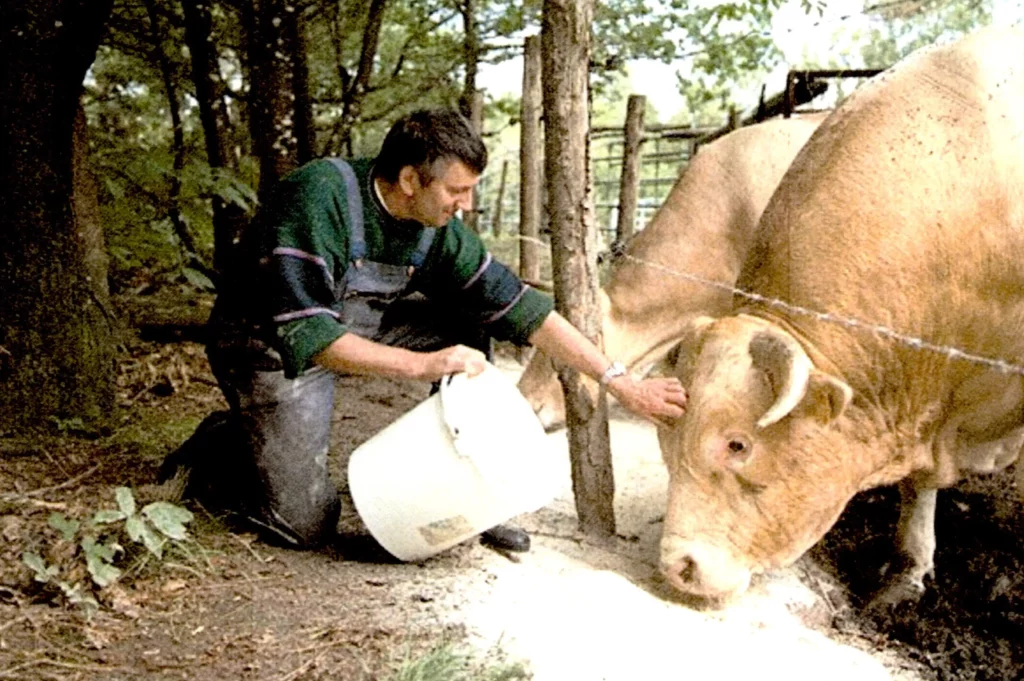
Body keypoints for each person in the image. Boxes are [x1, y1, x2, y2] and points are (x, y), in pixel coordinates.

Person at [162, 108, 687, 553]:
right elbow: (313, 339)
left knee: (468, 317)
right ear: (411, 180)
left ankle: (467, 488)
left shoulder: (437, 229)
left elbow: (522, 308)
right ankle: (223, 445)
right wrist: (425, 364)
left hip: (355, 330)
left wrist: (618, 380)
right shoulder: (318, 198)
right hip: (270, 349)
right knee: (303, 527)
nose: (467, 205)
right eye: (456, 191)